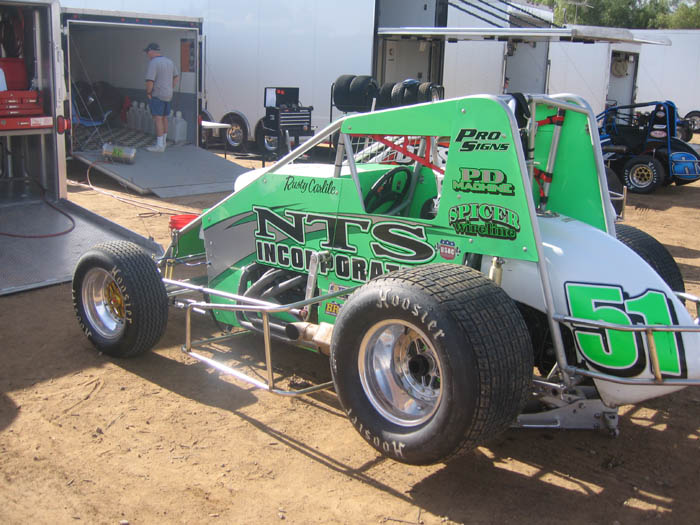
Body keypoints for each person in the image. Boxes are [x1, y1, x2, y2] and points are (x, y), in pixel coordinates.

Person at [143, 42, 179, 152]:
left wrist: (148, 93)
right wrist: (170, 87)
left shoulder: (153, 63)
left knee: (158, 118)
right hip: (168, 94)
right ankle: (163, 142)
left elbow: (150, 80)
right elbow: (176, 77)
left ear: (151, 51)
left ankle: (159, 146)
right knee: (164, 118)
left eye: (147, 52)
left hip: (157, 94)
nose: (147, 54)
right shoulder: (169, 61)